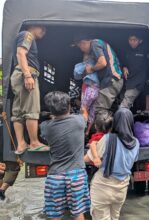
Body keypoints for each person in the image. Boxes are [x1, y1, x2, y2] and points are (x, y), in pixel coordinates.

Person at [41, 91, 90, 220]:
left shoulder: (45, 127)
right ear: (69, 106)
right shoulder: (79, 121)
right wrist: (83, 107)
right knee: (78, 213)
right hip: (77, 175)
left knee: (54, 214)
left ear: (51, 110)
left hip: (55, 176)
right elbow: (85, 114)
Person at [84, 108, 140, 220]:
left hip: (103, 187)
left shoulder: (107, 139)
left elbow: (86, 159)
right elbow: (133, 160)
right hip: (122, 188)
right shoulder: (136, 142)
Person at [11, 25, 48, 154]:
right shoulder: (28, 35)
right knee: (31, 109)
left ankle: (21, 144)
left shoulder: (23, 35)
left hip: (18, 75)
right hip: (25, 74)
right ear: (33, 26)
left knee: (18, 112)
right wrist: (27, 75)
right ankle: (34, 143)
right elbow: (21, 52)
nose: (44, 31)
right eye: (42, 28)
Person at [74, 35, 123, 116]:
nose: (82, 50)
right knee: (102, 108)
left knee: (99, 109)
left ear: (82, 43)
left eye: (80, 47)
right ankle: (104, 126)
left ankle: (101, 128)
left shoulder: (95, 43)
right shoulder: (100, 43)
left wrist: (91, 69)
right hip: (113, 80)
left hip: (111, 80)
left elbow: (102, 63)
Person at [120, 33, 149, 109]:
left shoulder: (145, 51)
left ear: (140, 41)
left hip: (138, 83)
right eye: (130, 40)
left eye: (134, 40)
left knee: (123, 107)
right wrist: (124, 67)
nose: (132, 42)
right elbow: (123, 63)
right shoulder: (127, 51)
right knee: (122, 103)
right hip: (127, 82)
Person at [74, 57, 100, 135]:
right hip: (97, 90)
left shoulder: (89, 62)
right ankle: (87, 131)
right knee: (92, 112)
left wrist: (83, 65)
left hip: (89, 89)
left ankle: (82, 132)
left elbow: (76, 73)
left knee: (84, 109)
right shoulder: (99, 66)